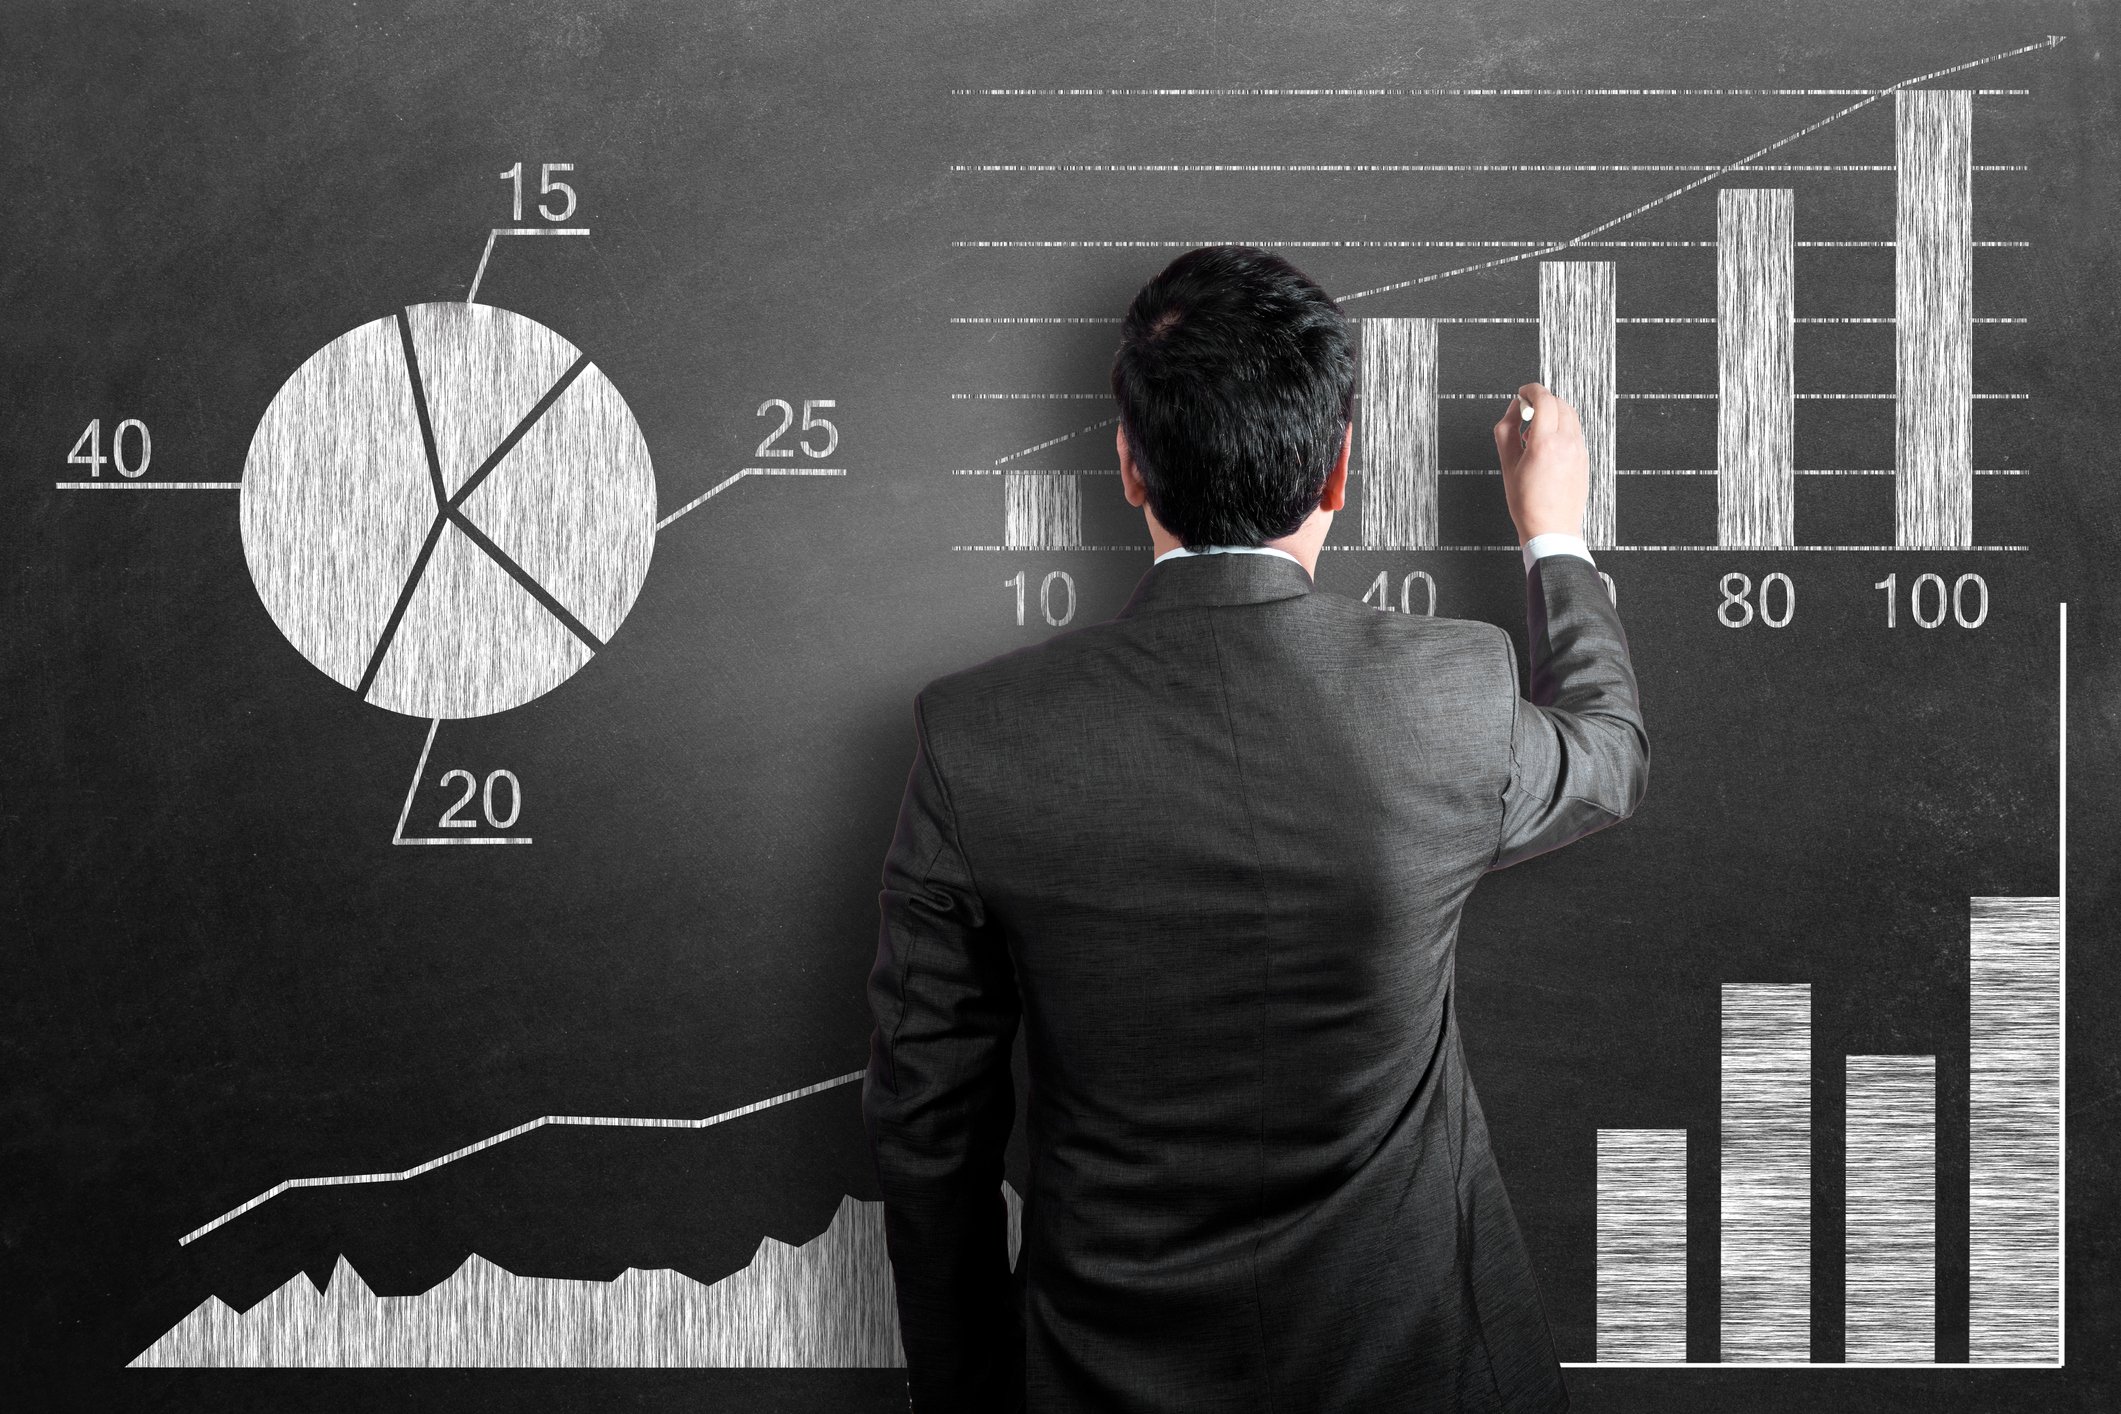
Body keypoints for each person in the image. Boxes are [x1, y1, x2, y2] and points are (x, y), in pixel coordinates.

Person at [862, 245, 1648, 1412]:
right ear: (1338, 472)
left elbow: (931, 1131)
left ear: (1129, 464)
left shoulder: (979, 740)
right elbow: (1610, 752)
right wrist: (1554, 533)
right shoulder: (1449, 700)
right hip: (1420, 1373)